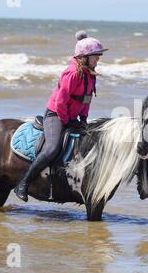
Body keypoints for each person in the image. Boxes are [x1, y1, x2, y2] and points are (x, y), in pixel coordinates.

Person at [13, 30, 108, 202]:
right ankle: (23, 183)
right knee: (52, 148)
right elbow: (60, 103)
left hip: (72, 117)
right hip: (56, 115)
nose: (98, 59)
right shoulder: (71, 74)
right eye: (95, 56)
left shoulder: (91, 75)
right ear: (83, 57)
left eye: (98, 56)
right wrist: (66, 121)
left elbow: (86, 100)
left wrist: (83, 120)